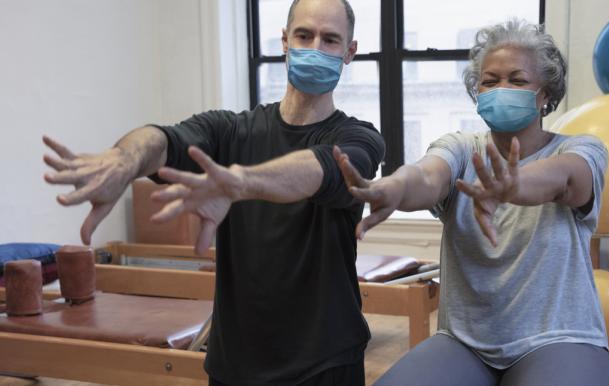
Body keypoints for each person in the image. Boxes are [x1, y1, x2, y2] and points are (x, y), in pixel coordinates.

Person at [42, 0, 385, 385]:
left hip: (325, 364)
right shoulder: (229, 131)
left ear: (349, 52)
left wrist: (240, 181)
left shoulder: (360, 139)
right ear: (285, 41)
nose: (316, 48)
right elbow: (164, 140)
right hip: (235, 364)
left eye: (331, 40)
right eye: (305, 35)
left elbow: (325, 169)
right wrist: (126, 160)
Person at [334, 19, 609, 386]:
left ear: (545, 94)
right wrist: (394, 188)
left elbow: (566, 179)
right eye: (490, 81)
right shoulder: (464, 150)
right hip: (466, 343)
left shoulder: (580, 149)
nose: (502, 88)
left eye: (517, 79)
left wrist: (514, 185)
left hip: (559, 336)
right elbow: (427, 176)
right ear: (477, 92)